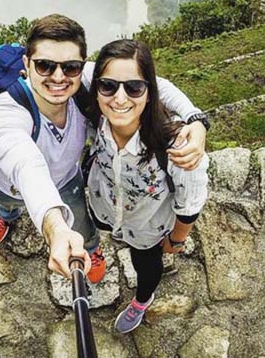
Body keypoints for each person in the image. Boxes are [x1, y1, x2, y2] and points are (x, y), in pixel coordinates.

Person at [0, 15, 208, 284]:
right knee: (7, 204)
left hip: (67, 181)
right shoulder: (4, 112)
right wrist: (55, 228)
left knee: (80, 223)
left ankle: (91, 250)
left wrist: (195, 119)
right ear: (26, 64)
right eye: (44, 66)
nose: (58, 77)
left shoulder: (88, 82)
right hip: (9, 183)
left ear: (82, 66)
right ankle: (6, 217)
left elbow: (150, 83)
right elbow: (26, 166)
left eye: (70, 67)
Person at [84, 39, 209, 333]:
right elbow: (62, 68)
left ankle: (142, 301)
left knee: (148, 266)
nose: (120, 98)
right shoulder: (95, 111)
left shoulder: (176, 145)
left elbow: (190, 204)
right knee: (97, 228)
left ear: (149, 92)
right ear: (97, 87)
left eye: (134, 88)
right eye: (108, 87)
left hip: (147, 227)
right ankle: (96, 251)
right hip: (103, 204)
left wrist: (176, 241)